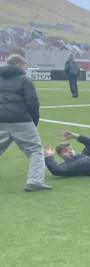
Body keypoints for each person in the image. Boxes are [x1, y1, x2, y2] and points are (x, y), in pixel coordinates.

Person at [0, 54, 50, 191]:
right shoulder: (25, 81)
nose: (26, 69)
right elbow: (33, 104)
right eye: (25, 66)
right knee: (35, 150)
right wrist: (34, 121)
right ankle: (35, 181)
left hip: (1, 120)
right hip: (21, 120)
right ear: (18, 65)